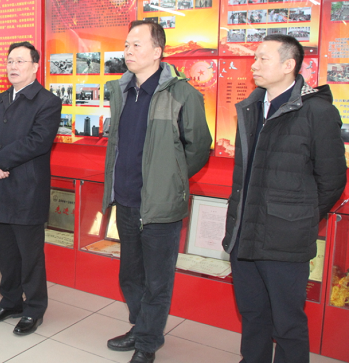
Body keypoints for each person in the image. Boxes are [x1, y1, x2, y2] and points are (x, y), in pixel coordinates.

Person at [222, 35, 346, 363]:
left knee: (287, 322)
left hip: (285, 240)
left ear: (289, 65)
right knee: (253, 314)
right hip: (244, 234)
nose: (254, 65)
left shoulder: (317, 112)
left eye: (263, 59)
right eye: (254, 58)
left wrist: (297, 217)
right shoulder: (251, 107)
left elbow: (333, 180)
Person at [103, 20, 211, 363]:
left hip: (160, 205)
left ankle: (148, 343)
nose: (128, 51)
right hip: (126, 200)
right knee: (130, 275)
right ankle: (141, 327)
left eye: (137, 45)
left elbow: (199, 146)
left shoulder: (182, 94)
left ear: (157, 52)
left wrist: (170, 179)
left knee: (157, 280)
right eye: (126, 45)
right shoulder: (121, 90)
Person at [0, 41, 62, 336]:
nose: (13, 67)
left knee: (30, 256)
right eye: (10, 61)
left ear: (35, 66)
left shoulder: (47, 102)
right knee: (6, 254)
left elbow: (36, 142)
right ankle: (10, 301)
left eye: (20, 61)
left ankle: (34, 308)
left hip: (27, 190)